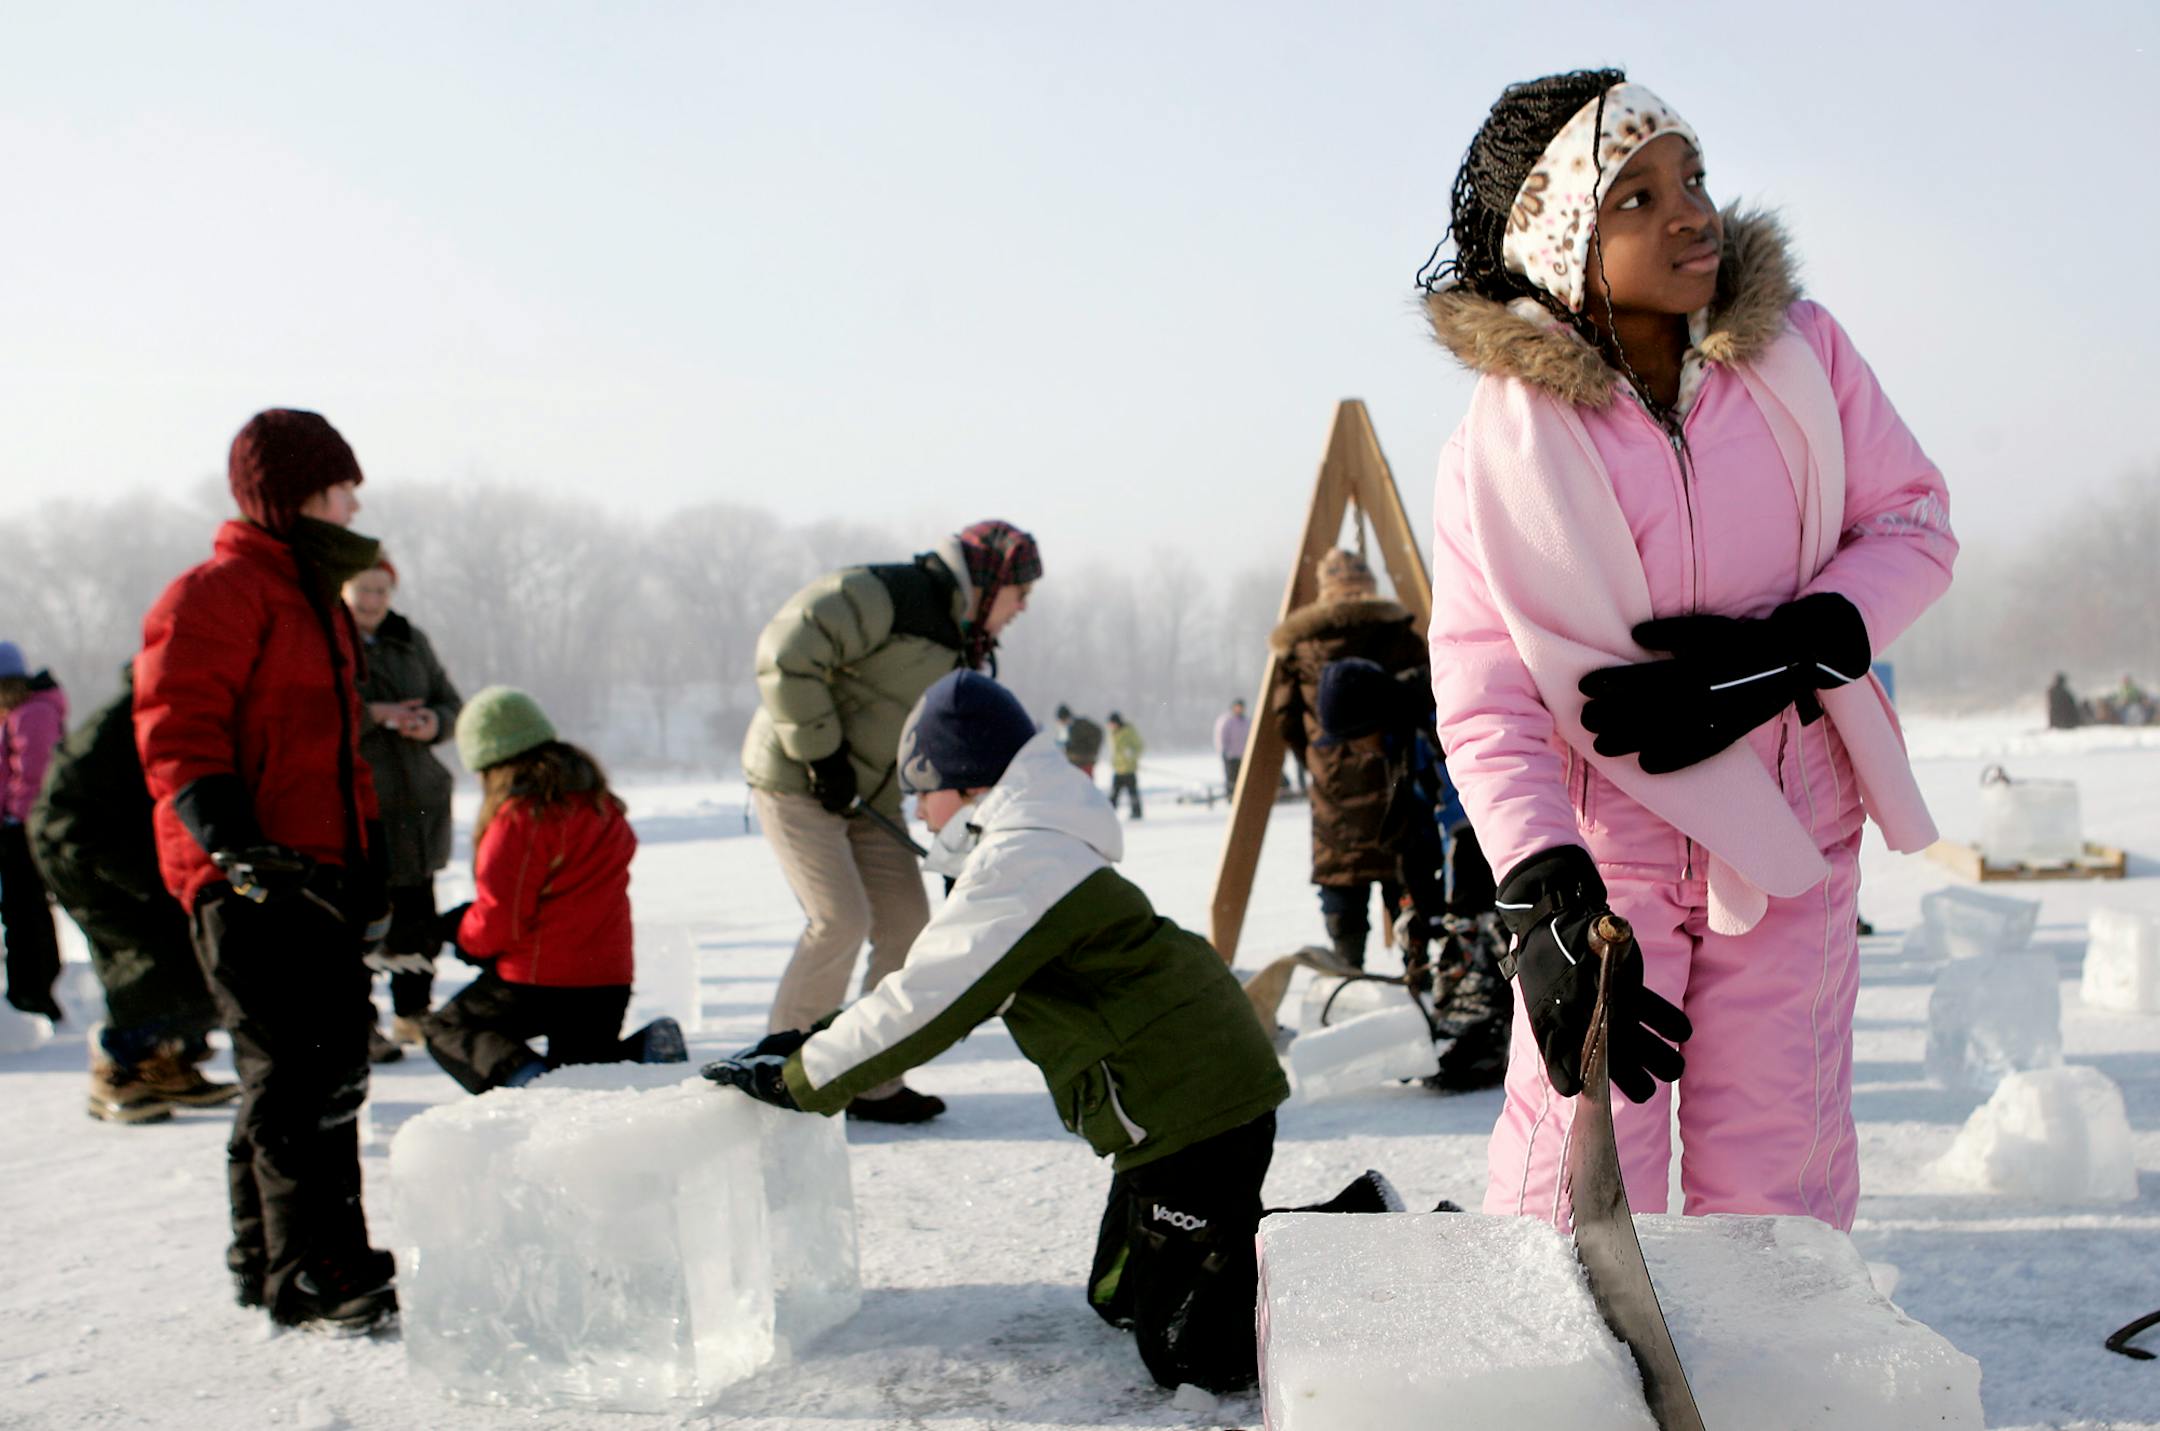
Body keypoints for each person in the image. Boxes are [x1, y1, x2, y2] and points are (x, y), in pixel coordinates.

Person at [1417, 71, 1955, 1229]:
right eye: (1638, 195)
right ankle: (1565, 1393)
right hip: (1609, 849)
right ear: (1560, 235)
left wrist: (1798, 648)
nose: (1693, 213)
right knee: (1579, 1162)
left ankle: (1773, 1378)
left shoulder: (1802, 356)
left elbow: (1912, 524)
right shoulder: (1497, 450)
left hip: (1795, 826)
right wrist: (1541, 889)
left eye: (1696, 176)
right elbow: (1483, 690)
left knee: (1783, 1168)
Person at [703, 671, 1402, 1394]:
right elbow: (928, 980)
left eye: (921, 786)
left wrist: (799, 1076)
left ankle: (1365, 1234)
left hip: (1195, 1104)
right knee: (1118, 1294)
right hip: (1172, 1103)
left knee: (1188, 1350)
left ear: (968, 780)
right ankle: (1242, 1244)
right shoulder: (1020, 850)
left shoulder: (1021, 862)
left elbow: (928, 1001)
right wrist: (814, 1040)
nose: (913, 807)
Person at [135, 408, 400, 1332]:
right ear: (291, 498)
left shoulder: (315, 602)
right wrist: (228, 833)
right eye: (339, 487)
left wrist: (371, 873)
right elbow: (176, 723)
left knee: (327, 1066)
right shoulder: (217, 592)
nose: (356, 501)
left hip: (317, 871)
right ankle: (310, 1265)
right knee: (293, 1070)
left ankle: (275, 1255)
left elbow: (341, 757)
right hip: (242, 873)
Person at [743, 520, 1041, 1125]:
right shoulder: (889, 594)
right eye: (1020, 591)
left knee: (908, 927)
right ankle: (781, 1073)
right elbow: (786, 651)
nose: (1024, 607)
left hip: (868, 794)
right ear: (990, 581)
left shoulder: (964, 644)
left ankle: (868, 1080)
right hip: (797, 778)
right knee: (840, 920)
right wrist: (821, 753)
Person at [422, 687, 684, 1092]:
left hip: (539, 981)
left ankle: (534, 1087)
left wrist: (460, 933)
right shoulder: (602, 805)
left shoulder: (520, 819)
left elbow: (500, 920)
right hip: (608, 979)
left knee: (448, 1029)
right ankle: (645, 1051)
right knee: (585, 1078)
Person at [29, 663, 237, 1123]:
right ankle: (117, 1069)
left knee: (183, 946)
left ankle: (164, 1062)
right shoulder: (121, 721)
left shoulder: (178, 712)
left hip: (133, 848)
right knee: (139, 956)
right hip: (82, 851)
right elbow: (67, 811)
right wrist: (130, 874)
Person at [1269, 549, 1429, 967]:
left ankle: (1348, 966)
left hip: (1333, 784)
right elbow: (1426, 695)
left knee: (1342, 881)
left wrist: (1317, 759)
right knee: (1405, 873)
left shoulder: (1301, 648)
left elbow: (1285, 719)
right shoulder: (1398, 635)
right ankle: (1419, 969)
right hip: (1395, 775)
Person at [344, 554, 463, 1059]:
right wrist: (374, 715)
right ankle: (358, 1023)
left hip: (418, 799)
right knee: (361, 918)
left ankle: (414, 1012)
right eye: (363, 590)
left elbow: (451, 704)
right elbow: (313, 711)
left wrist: (432, 723)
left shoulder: (410, 639)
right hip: (360, 799)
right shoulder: (328, 640)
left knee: (418, 912)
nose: (373, 601)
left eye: (381, 591)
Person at [1, 641, 67, 1022]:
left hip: (24, 828)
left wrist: (15, 819)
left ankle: (33, 994)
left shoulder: (33, 714)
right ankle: (29, 992)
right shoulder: (17, 715)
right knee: (21, 912)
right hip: (17, 826)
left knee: (25, 913)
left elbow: (34, 774)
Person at [1105, 712, 1143, 818]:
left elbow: (1139, 746)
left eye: (1112, 723)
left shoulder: (1129, 731)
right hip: (1118, 769)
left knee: (1132, 793)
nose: (1111, 726)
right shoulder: (1112, 733)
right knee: (1114, 794)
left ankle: (1136, 813)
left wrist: (1132, 753)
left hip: (1129, 768)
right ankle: (1109, 814)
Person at [1053, 704, 1104, 777]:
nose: (1061, 723)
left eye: (1062, 720)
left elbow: (1098, 733)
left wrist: (1093, 751)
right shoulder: (1064, 729)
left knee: (1085, 786)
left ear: (1067, 717)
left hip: (1085, 763)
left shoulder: (1081, 724)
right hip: (1072, 764)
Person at [1213, 697, 1250, 794]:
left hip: (1244, 755)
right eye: (1237, 707)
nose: (1239, 709)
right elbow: (1221, 737)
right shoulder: (1226, 721)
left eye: (1241, 707)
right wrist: (1223, 751)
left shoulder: (1246, 721)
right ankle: (1230, 795)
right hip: (1231, 756)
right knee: (1231, 778)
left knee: (1243, 777)